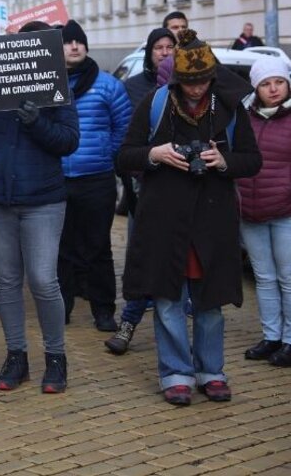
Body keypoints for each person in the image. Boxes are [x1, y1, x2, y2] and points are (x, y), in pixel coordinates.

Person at [117, 32, 261, 405]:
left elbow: (252, 159)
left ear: (213, 77)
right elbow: (125, 155)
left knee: (210, 303)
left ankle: (211, 370)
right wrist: (156, 153)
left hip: (213, 224)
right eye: (189, 82)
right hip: (164, 220)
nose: (196, 89)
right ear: (176, 79)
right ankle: (175, 372)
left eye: (202, 81)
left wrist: (224, 161)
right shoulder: (156, 103)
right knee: (167, 299)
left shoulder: (229, 108)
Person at [0, 22, 79, 395]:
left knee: (43, 280)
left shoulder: (57, 88)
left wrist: (37, 123)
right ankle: (16, 354)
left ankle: (56, 356)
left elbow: (69, 141)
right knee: (6, 280)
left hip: (43, 200)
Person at [56, 20, 132, 332]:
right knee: (61, 248)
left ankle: (104, 310)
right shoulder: (48, 84)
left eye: (79, 42)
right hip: (57, 178)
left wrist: (104, 155)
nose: (74, 46)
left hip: (96, 178)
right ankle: (61, 309)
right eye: (68, 42)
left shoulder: (107, 85)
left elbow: (122, 127)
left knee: (98, 245)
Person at [235, 57, 291, 367]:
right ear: (256, 87)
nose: (273, 89)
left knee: (288, 277)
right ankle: (271, 336)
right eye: (266, 83)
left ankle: (290, 340)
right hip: (251, 209)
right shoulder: (245, 117)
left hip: (285, 211)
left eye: (278, 82)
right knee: (264, 277)